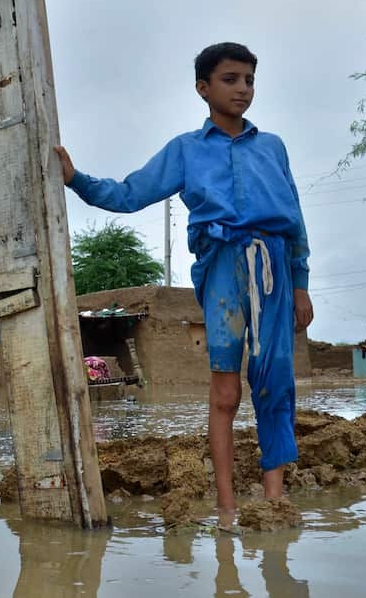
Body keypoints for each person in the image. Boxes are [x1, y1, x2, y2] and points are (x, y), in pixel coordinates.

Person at [53, 42, 314, 518]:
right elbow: (132, 192)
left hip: (275, 266)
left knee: (276, 380)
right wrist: (78, 181)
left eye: (249, 80)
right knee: (226, 390)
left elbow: (294, 219)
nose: (242, 89)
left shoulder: (273, 147)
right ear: (203, 88)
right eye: (230, 79)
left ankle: (274, 499)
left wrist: (301, 283)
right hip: (221, 269)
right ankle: (228, 506)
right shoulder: (186, 150)